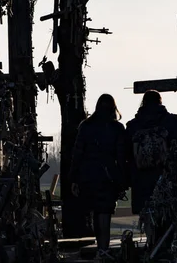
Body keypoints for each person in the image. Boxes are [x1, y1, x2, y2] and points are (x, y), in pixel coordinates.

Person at [70, 94, 127, 258]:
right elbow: (121, 157)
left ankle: (100, 248)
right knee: (105, 213)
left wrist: (73, 178)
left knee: (96, 211)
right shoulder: (117, 128)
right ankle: (104, 248)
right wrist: (122, 180)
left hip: (88, 176)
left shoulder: (86, 126)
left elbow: (77, 153)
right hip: (109, 176)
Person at [125, 90, 177, 215]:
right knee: (168, 211)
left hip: (141, 179)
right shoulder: (173, 122)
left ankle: (150, 233)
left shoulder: (133, 126)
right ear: (160, 101)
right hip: (167, 177)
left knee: (147, 213)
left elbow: (125, 152)